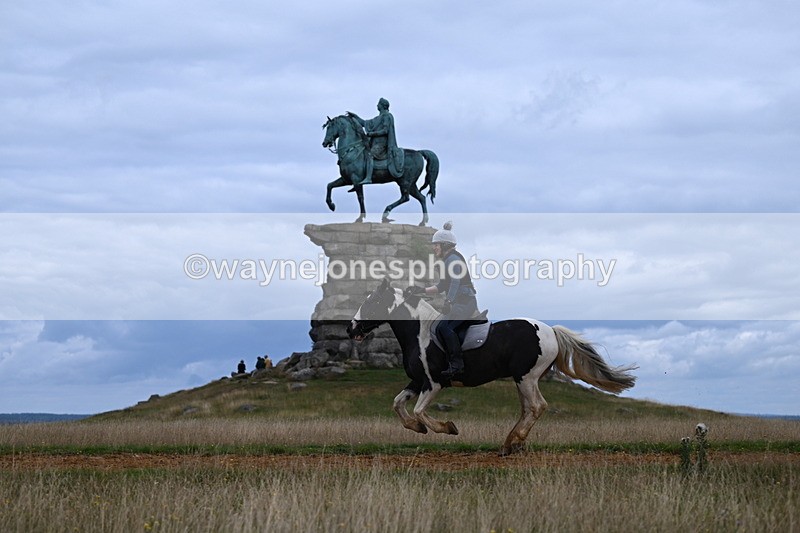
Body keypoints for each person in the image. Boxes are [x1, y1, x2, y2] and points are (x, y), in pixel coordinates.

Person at [406, 221, 478, 380]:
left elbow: (455, 282)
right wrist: (421, 290)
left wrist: (449, 301)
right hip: (460, 302)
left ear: (445, 245)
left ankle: (457, 363)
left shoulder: (452, 259)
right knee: (440, 327)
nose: (434, 248)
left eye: (436, 245)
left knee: (444, 327)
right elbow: (442, 286)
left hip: (465, 303)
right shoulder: (447, 260)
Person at [346, 98, 404, 189]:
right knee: (361, 153)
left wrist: (372, 134)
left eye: (378, 104)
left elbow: (385, 130)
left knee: (370, 155)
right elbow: (365, 123)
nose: (377, 105)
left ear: (382, 105)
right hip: (374, 144)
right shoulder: (378, 118)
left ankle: (368, 178)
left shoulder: (387, 116)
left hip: (382, 145)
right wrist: (355, 117)